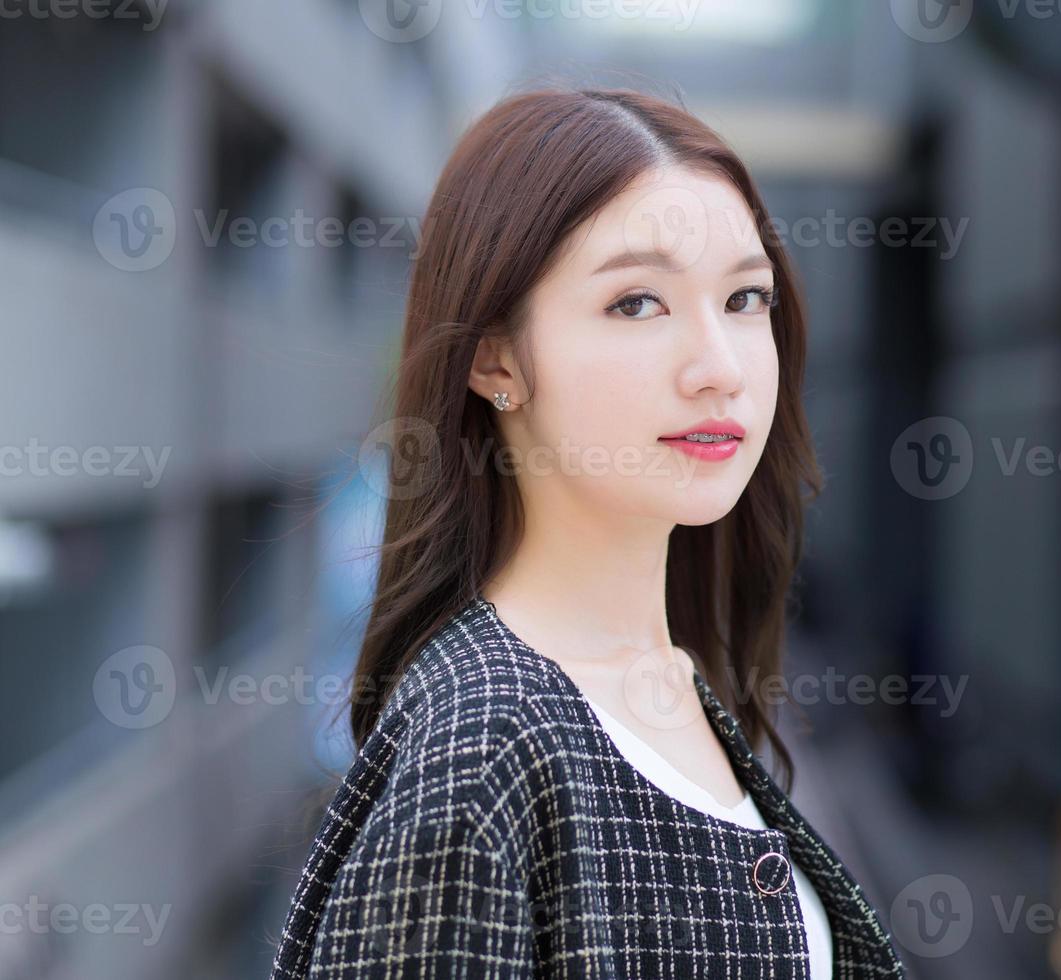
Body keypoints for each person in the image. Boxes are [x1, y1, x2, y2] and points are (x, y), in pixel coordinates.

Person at [270, 85, 907, 979]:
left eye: (745, 298)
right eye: (638, 303)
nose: (719, 368)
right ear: (497, 360)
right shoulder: (477, 759)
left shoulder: (674, 675)